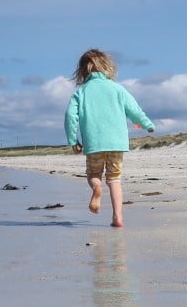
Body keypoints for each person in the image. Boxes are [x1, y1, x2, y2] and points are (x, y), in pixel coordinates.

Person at [64, 48, 155, 228]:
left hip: (94, 144)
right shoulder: (117, 89)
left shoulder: (81, 92)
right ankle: (117, 217)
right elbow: (134, 110)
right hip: (117, 144)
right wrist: (147, 124)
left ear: (83, 71)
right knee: (114, 179)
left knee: (93, 174)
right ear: (107, 67)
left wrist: (73, 140)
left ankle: (97, 188)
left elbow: (70, 116)